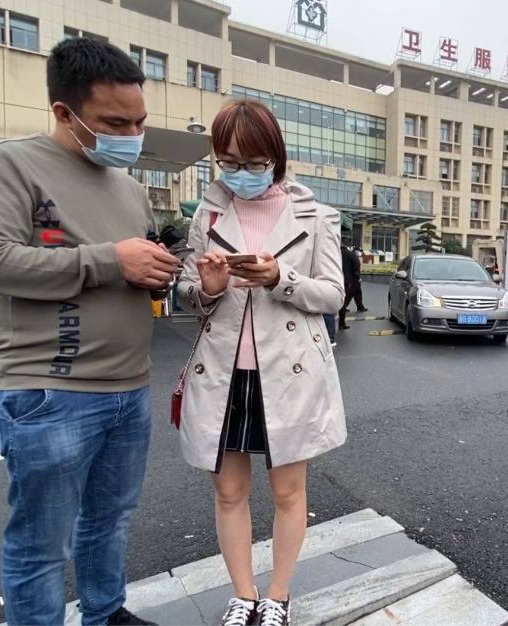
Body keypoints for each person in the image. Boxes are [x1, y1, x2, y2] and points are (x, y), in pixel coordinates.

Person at [0, 38, 178, 626]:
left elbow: (131, 264)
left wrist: (158, 273)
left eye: (139, 121)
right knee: (41, 543)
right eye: (113, 122)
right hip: (49, 390)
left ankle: (106, 613)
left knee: (110, 520)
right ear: (62, 112)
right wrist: (109, 261)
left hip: (128, 388)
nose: (130, 133)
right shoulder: (8, 164)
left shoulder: (127, 186)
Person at [175, 99, 347, 626]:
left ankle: (277, 596)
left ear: (275, 157)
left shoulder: (317, 216)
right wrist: (205, 289)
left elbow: (335, 294)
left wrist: (281, 279)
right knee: (229, 492)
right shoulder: (207, 214)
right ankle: (243, 595)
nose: (241, 174)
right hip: (223, 373)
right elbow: (186, 289)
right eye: (229, 162)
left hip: (289, 371)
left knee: (288, 490)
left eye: (253, 163)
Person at [338, 237, 362, 329]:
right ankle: (341, 323)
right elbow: (357, 267)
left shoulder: (335, 254)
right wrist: (356, 278)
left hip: (333, 280)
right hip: (347, 281)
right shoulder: (350, 254)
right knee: (342, 303)